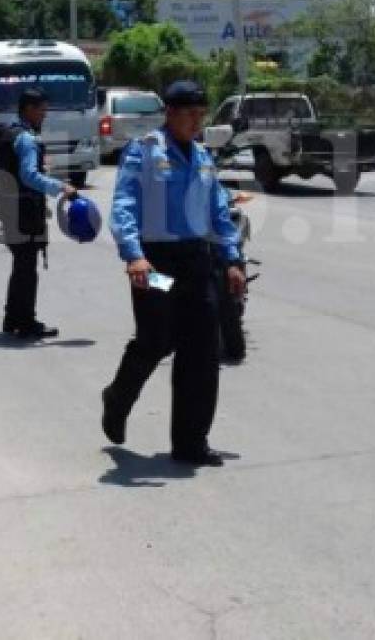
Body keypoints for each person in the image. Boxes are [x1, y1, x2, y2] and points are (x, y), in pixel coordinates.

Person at [102, 80, 246, 467]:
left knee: (201, 352)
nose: (196, 121)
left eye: (201, 114)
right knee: (155, 339)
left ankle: (190, 442)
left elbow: (218, 211)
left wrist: (231, 259)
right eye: (189, 114)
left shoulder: (202, 156)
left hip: (196, 262)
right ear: (169, 113)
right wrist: (133, 255)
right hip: (154, 263)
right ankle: (117, 398)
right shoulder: (145, 151)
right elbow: (124, 204)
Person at [0, 88, 78, 340]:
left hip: (9, 207)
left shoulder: (10, 133)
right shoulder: (27, 139)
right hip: (23, 211)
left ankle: (12, 319)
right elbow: (28, 176)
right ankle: (26, 322)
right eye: (42, 110)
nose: (44, 115)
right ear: (29, 109)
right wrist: (60, 187)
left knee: (21, 265)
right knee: (27, 268)